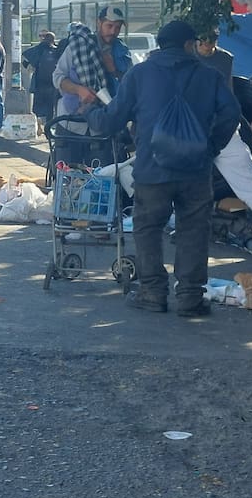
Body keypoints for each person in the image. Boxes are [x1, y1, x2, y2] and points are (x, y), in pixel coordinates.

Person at [86, 20, 242, 316]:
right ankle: (190, 298)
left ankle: (153, 293)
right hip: (195, 170)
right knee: (193, 231)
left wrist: (91, 114)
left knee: (147, 229)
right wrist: (211, 147)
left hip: (152, 170)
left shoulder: (139, 75)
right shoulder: (209, 76)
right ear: (187, 44)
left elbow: (111, 120)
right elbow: (232, 112)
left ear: (160, 44)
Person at [194, 28, 252, 226]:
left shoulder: (225, 59)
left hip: (220, 121)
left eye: (213, 39)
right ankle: (184, 218)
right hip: (193, 123)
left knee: (241, 160)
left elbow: (229, 92)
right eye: (204, 38)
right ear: (196, 40)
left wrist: (231, 116)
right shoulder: (186, 58)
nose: (209, 43)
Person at [52, 7, 133, 160]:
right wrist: (79, 90)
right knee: (67, 176)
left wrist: (114, 70)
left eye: (117, 27)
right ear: (99, 23)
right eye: (109, 26)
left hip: (104, 126)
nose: (113, 31)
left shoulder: (122, 53)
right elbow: (58, 77)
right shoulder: (78, 46)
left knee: (102, 178)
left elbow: (131, 86)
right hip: (71, 123)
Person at [22, 30, 61, 130]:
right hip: (53, 84)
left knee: (37, 106)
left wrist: (31, 67)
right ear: (53, 40)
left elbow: (25, 58)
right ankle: (49, 127)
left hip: (39, 83)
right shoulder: (57, 50)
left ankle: (38, 125)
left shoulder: (38, 48)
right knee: (50, 108)